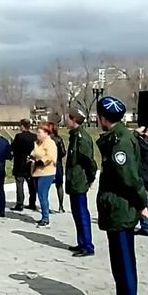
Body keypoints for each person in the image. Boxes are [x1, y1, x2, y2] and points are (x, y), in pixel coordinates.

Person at [95, 96, 148, 295]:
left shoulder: (121, 141)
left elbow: (129, 177)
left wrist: (142, 203)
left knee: (125, 264)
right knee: (118, 264)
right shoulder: (116, 136)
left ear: (102, 118)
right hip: (115, 209)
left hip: (122, 209)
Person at [65, 108, 98, 257]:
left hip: (79, 181)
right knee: (77, 214)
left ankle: (87, 246)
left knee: (82, 213)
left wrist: (90, 179)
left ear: (73, 119)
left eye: (68, 118)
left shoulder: (82, 138)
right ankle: (81, 242)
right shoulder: (74, 136)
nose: (66, 120)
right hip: (74, 181)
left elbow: (89, 162)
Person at [31, 123, 58, 227]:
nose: (37, 134)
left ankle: (45, 217)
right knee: (40, 194)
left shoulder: (50, 143)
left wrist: (39, 162)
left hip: (47, 172)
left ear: (46, 133)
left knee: (43, 194)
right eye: (37, 132)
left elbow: (50, 157)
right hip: (36, 172)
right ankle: (43, 215)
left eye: (39, 132)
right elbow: (34, 153)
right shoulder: (38, 143)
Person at [11, 119, 37, 211]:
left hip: (19, 163)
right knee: (32, 185)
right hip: (30, 163)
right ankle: (32, 202)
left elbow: (13, 148)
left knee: (19, 185)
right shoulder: (34, 137)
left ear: (22, 126)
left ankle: (20, 203)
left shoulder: (19, 136)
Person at [51, 123, 67, 212]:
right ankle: (61, 206)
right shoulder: (59, 139)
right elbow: (63, 152)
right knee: (59, 186)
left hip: (48, 164)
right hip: (58, 163)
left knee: (47, 186)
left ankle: (46, 205)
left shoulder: (47, 139)